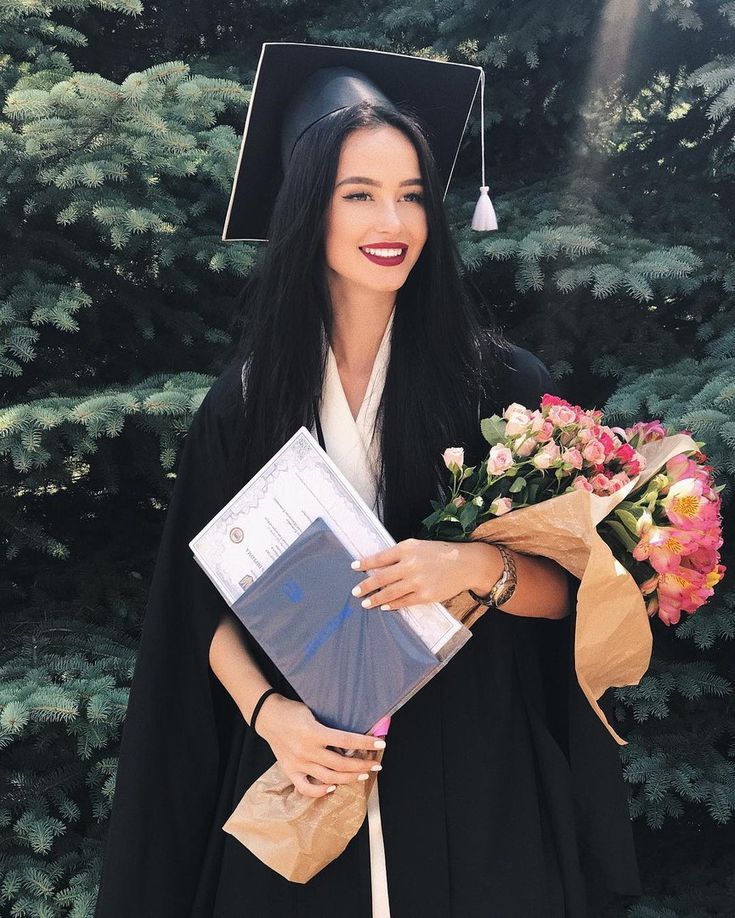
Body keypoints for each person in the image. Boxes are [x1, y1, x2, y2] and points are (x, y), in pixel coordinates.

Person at [93, 43, 643, 918]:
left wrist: (472, 570)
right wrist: (271, 717)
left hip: (474, 768)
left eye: (412, 194)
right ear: (307, 207)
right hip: (307, 770)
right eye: (359, 194)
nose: (393, 220)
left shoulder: (498, 385)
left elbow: (581, 596)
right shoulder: (246, 402)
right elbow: (200, 609)